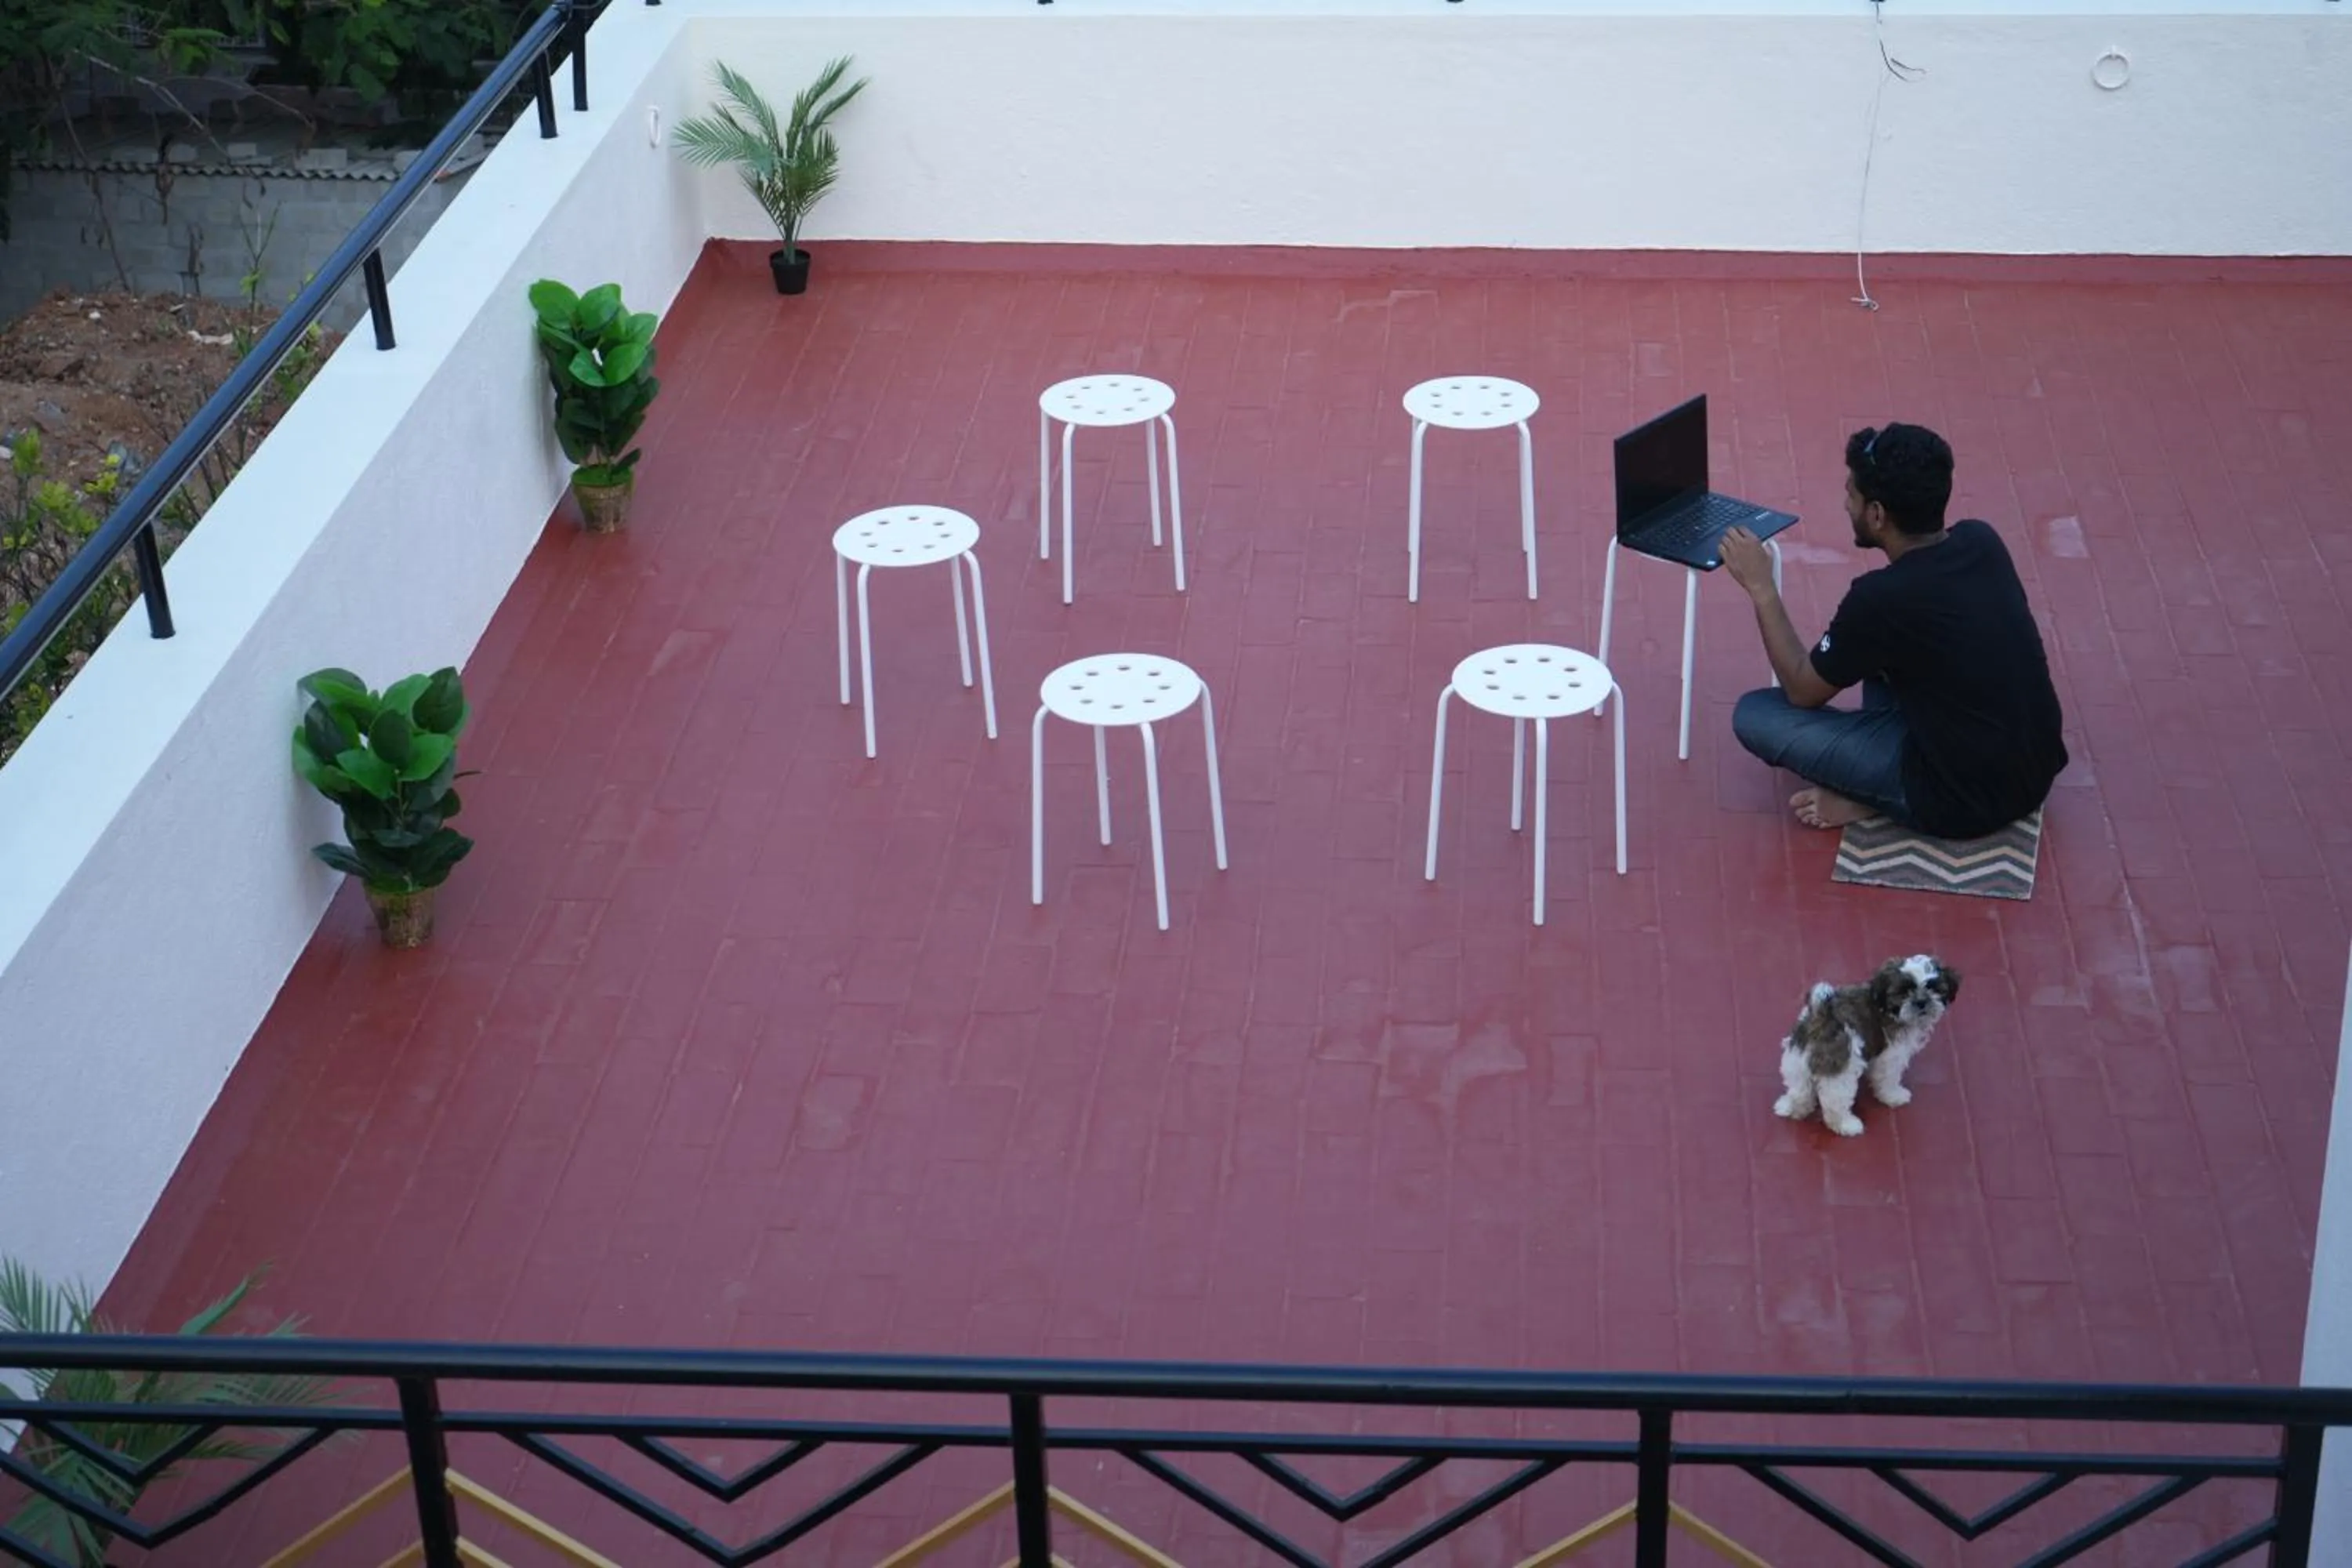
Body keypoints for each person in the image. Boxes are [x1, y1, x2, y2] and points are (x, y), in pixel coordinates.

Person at [1716, 423, 2067, 837]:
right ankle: (1878, 779)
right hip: (2035, 769)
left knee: (1756, 716)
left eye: (1852, 494)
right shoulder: (1981, 540)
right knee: (1881, 649)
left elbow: (1801, 689)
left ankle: (1874, 798)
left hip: (1963, 802)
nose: (1846, 505)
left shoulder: (1880, 600)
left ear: (1878, 514)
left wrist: (1761, 588)